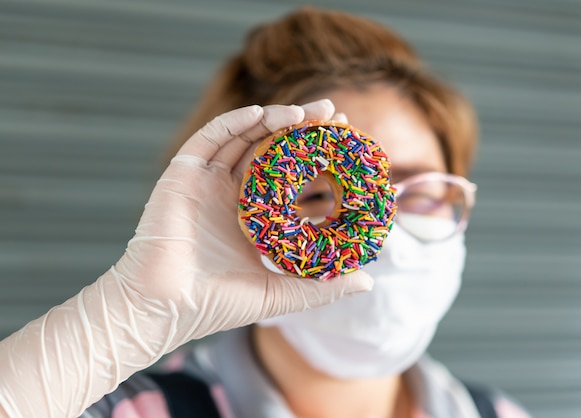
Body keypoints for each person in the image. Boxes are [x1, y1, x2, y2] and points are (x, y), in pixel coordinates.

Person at [0, 7, 532, 418]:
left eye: (421, 191)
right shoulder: (130, 409)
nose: (383, 231)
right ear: (234, 213)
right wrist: (131, 314)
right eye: (320, 195)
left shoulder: (498, 413)